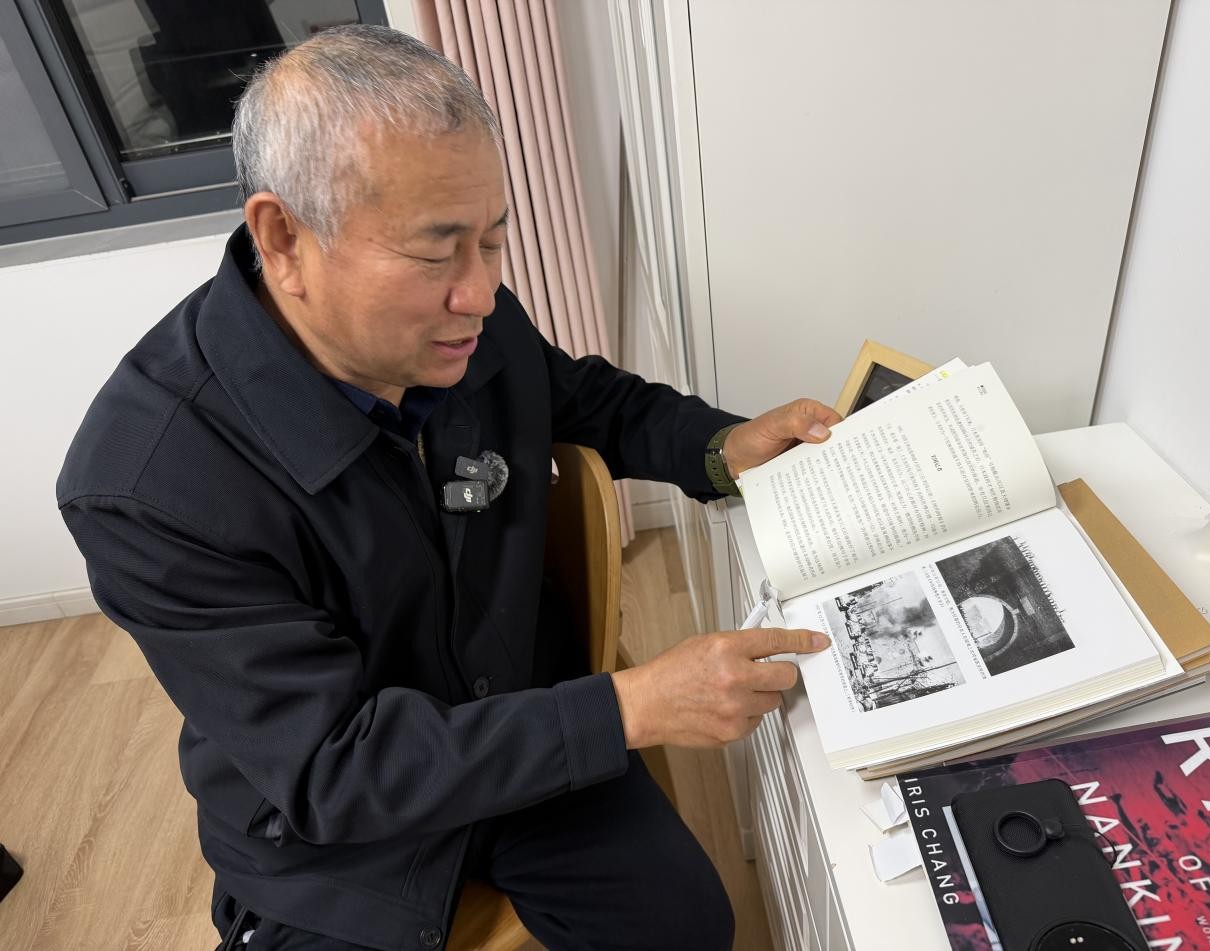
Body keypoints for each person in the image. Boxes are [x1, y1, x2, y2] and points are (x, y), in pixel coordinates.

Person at [56, 25, 841, 951]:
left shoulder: (461, 319)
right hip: (336, 831)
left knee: (686, 927)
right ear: (283, 238)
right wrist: (628, 706)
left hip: (519, 713)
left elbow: (583, 397)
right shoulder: (145, 485)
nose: (478, 290)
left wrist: (720, 446)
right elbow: (330, 768)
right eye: (436, 253)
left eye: (494, 240)